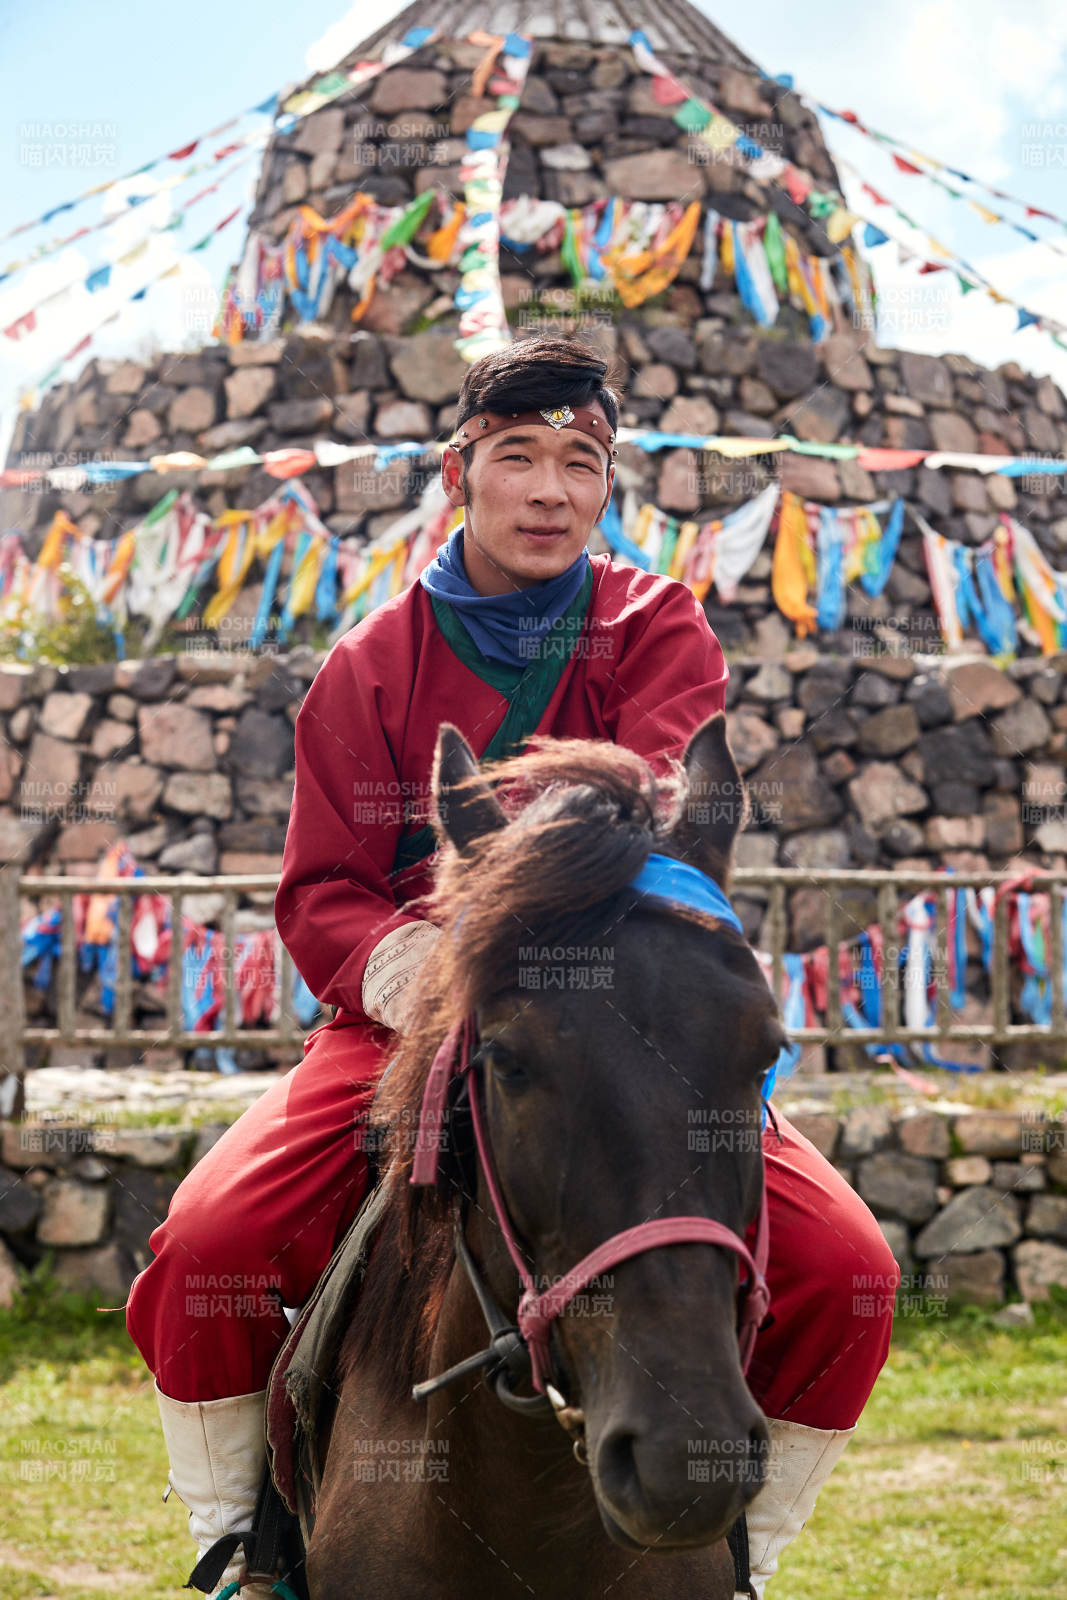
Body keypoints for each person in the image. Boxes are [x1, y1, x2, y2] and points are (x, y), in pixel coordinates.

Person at [126, 335, 900, 1598]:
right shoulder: (368, 663)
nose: (548, 490)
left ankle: (747, 1552)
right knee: (214, 1235)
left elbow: (645, 822)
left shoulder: (656, 628)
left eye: (579, 464)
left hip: (628, 1025)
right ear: (458, 471)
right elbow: (321, 893)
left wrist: (534, 920)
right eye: (518, 457)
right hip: (410, 1013)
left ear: (607, 490)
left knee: (851, 1275)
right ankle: (241, 1547)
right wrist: (434, 968)